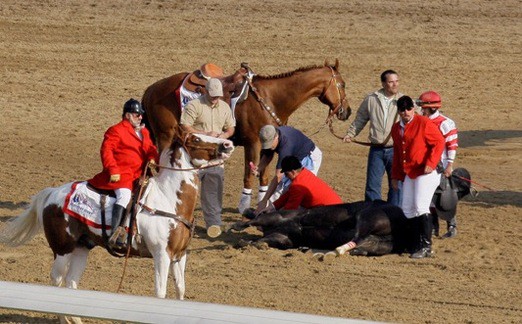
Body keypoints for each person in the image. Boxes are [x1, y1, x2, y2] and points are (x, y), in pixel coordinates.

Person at [88, 98, 158, 246]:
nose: (140, 117)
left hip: (139, 174)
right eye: (136, 114)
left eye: (141, 115)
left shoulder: (144, 132)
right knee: (124, 196)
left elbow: (151, 148)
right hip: (121, 174)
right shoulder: (116, 130)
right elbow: (106, 151)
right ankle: (116, 232)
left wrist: (152, 158)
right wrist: (112, 169)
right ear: (127, 115)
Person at [180, 78, 235, 238]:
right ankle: (183, 221)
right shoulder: (194, 106)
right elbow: (185, 126)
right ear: (206, 92)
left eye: (218, 96)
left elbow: (231, 127)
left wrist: (224, 135)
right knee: (188, 190)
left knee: (213, 190)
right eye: (213, 95)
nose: (215, 98)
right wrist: (206, 134)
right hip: (196, 157)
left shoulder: (225, 107)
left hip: (215, 157)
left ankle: (214, 224)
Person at [391, 96, 445, 258]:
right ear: (399, 111)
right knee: (407, 207)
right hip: (410, 171)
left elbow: (439, 142)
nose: (406, 112)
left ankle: (427, 246)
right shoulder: (396, 128)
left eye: (408, 109)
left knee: (421, 206)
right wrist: (395, 176)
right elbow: (398, 154)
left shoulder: (424, 122)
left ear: (413, 108)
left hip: (426, 172)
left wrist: (431, 162)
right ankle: (415, 243)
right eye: (402, 110)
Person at [343, 70, 403, 206]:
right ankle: (372, 215)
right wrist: (351, 134)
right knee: (372, 186)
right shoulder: (371, 99)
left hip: (396, 150)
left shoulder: (403, 100)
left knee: (396, 186)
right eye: (391, 82)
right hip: (376, 150)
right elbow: (361, 119)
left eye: (397, 81)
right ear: (383, 83)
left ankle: (394, 215)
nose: (395, 84)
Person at [253, 125, 322, 215]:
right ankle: (268, 214)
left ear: (276, 137)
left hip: (309, 157)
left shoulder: (286, 146)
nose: (269, 147)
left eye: (270, 144)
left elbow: (278, 177)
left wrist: (264, 200)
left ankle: (297, 215)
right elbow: (268, 154)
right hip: (294, 157)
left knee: (296, 187)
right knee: (282, 188)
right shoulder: (272, 134)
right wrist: (258, 169)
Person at [418, 91, 459, 238]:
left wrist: (449, 165)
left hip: (441, 165)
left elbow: (452, 145)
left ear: (431, 107)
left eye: (423, 107)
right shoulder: (421, 121)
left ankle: (452, 226)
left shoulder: (445, 123)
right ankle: (434, 226)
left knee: (444, 197)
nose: (421, 110)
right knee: (429, 197)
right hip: (427, 165)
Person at [257, 156, 342, 214]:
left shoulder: (298, 185)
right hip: (336, 207)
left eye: (286, 174)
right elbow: (288, 195)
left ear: (293, 172)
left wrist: (271, 216)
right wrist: (272, 207)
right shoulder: (305, 173)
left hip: (330, 212)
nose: (286, 176)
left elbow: (289, 210)